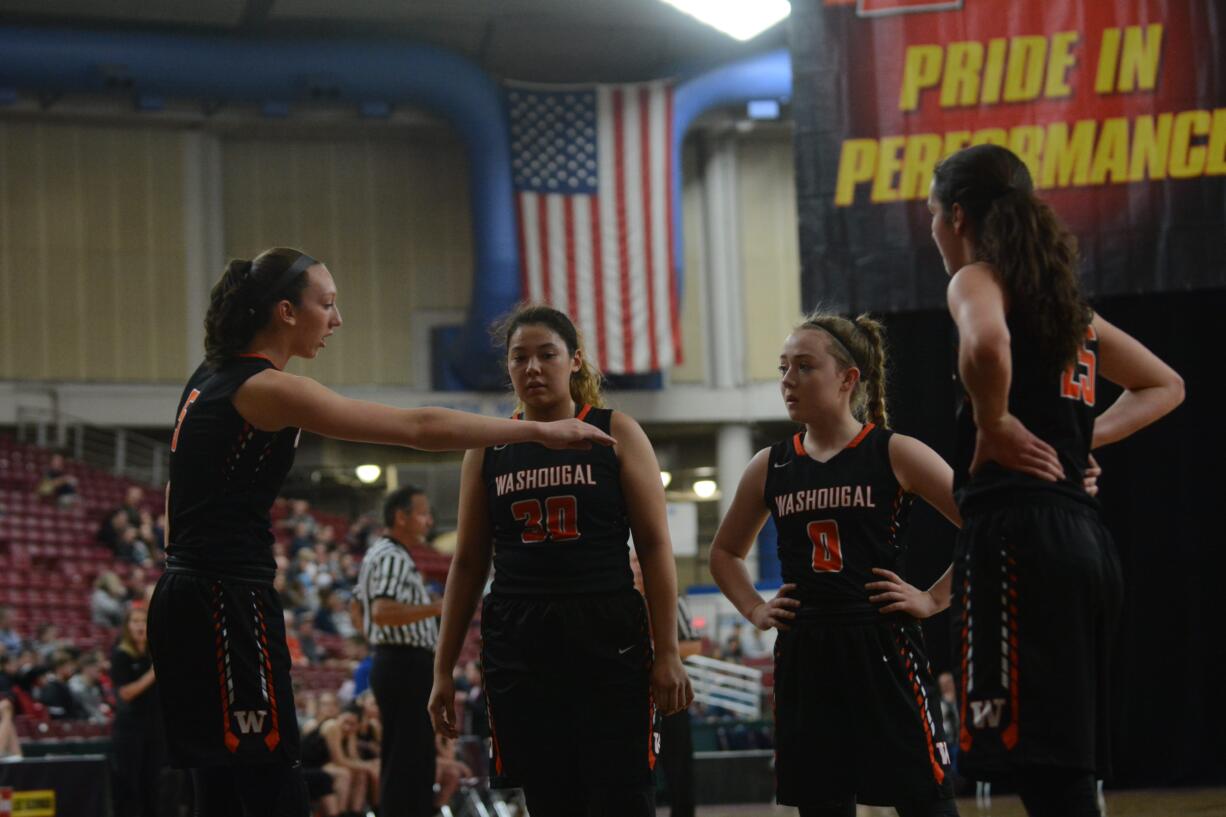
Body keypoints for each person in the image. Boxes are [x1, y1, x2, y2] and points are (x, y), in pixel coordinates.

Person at [146, 248, 615, 817]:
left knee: (217, 790)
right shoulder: (268, 388)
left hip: (186, 594)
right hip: (225, 598)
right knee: (270, 784)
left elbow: (176, 496)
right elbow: (418, 427)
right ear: (287, 311)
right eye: (329, 304)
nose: (337, 320)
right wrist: (537, 434)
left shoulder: (207, 378)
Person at [928, 144, 1184, 816]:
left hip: (1018, 543)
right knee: (1067, 767)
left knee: (1040, 766)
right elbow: (1166, 384)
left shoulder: (976, 279)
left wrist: (996, 422)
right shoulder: (1068, 308)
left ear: (956, 216)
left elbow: (985, 343)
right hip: (1083, 541)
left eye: (931, 215)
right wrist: (1074, 439)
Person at [428, 305, 693, 817]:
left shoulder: (617, 430)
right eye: (518, 357)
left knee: (622, 794)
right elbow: (467, 563)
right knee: (549, 798)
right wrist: (442, 669)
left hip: (606, 628)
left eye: (546, 354)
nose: (532, 368)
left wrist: (667, 651)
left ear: (574, 361)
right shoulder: (489, 447)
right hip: (521, 637)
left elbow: (656, 548)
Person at [709, 313, 962, 817]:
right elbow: (724, 553)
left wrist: (933, 598)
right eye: (783, 368)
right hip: (806, 651)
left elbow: (985, 523)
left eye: (804, 367)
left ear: (848, 379)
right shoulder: (772, 464)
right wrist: (757, 611)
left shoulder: (893, 452)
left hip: (881, 643)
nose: (788, 380)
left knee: (925, 801)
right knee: (822, 805)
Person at [352, 485, 444, 817]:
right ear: (400, 517)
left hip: (394, 660)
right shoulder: (390, 555)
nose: (429, 521)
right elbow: (381, 611)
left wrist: (376, 642)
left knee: (408, 755)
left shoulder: (383, 553)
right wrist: (436, 608)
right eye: (422, 513)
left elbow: (356, 608)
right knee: (409, 758)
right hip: (403, 662)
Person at [631, 549, 701, 817]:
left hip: (670, 693)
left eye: (641, 560)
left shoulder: (672, 597)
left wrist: (660, 652)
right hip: (631, 697)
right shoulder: (620, 599)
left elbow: (694, 644)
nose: (637, 567)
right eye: (633, 561)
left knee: (679, 769)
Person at [110, 604, 166, 817]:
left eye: (143, 621)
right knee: (129, 782)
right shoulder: (121, 655)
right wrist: (152, 675)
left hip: (155, 725)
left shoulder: (154, 653)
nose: (140, 626)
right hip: (129, 727)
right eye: (135, 622)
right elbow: (125, 693)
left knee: (152, 781)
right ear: (127, 627)